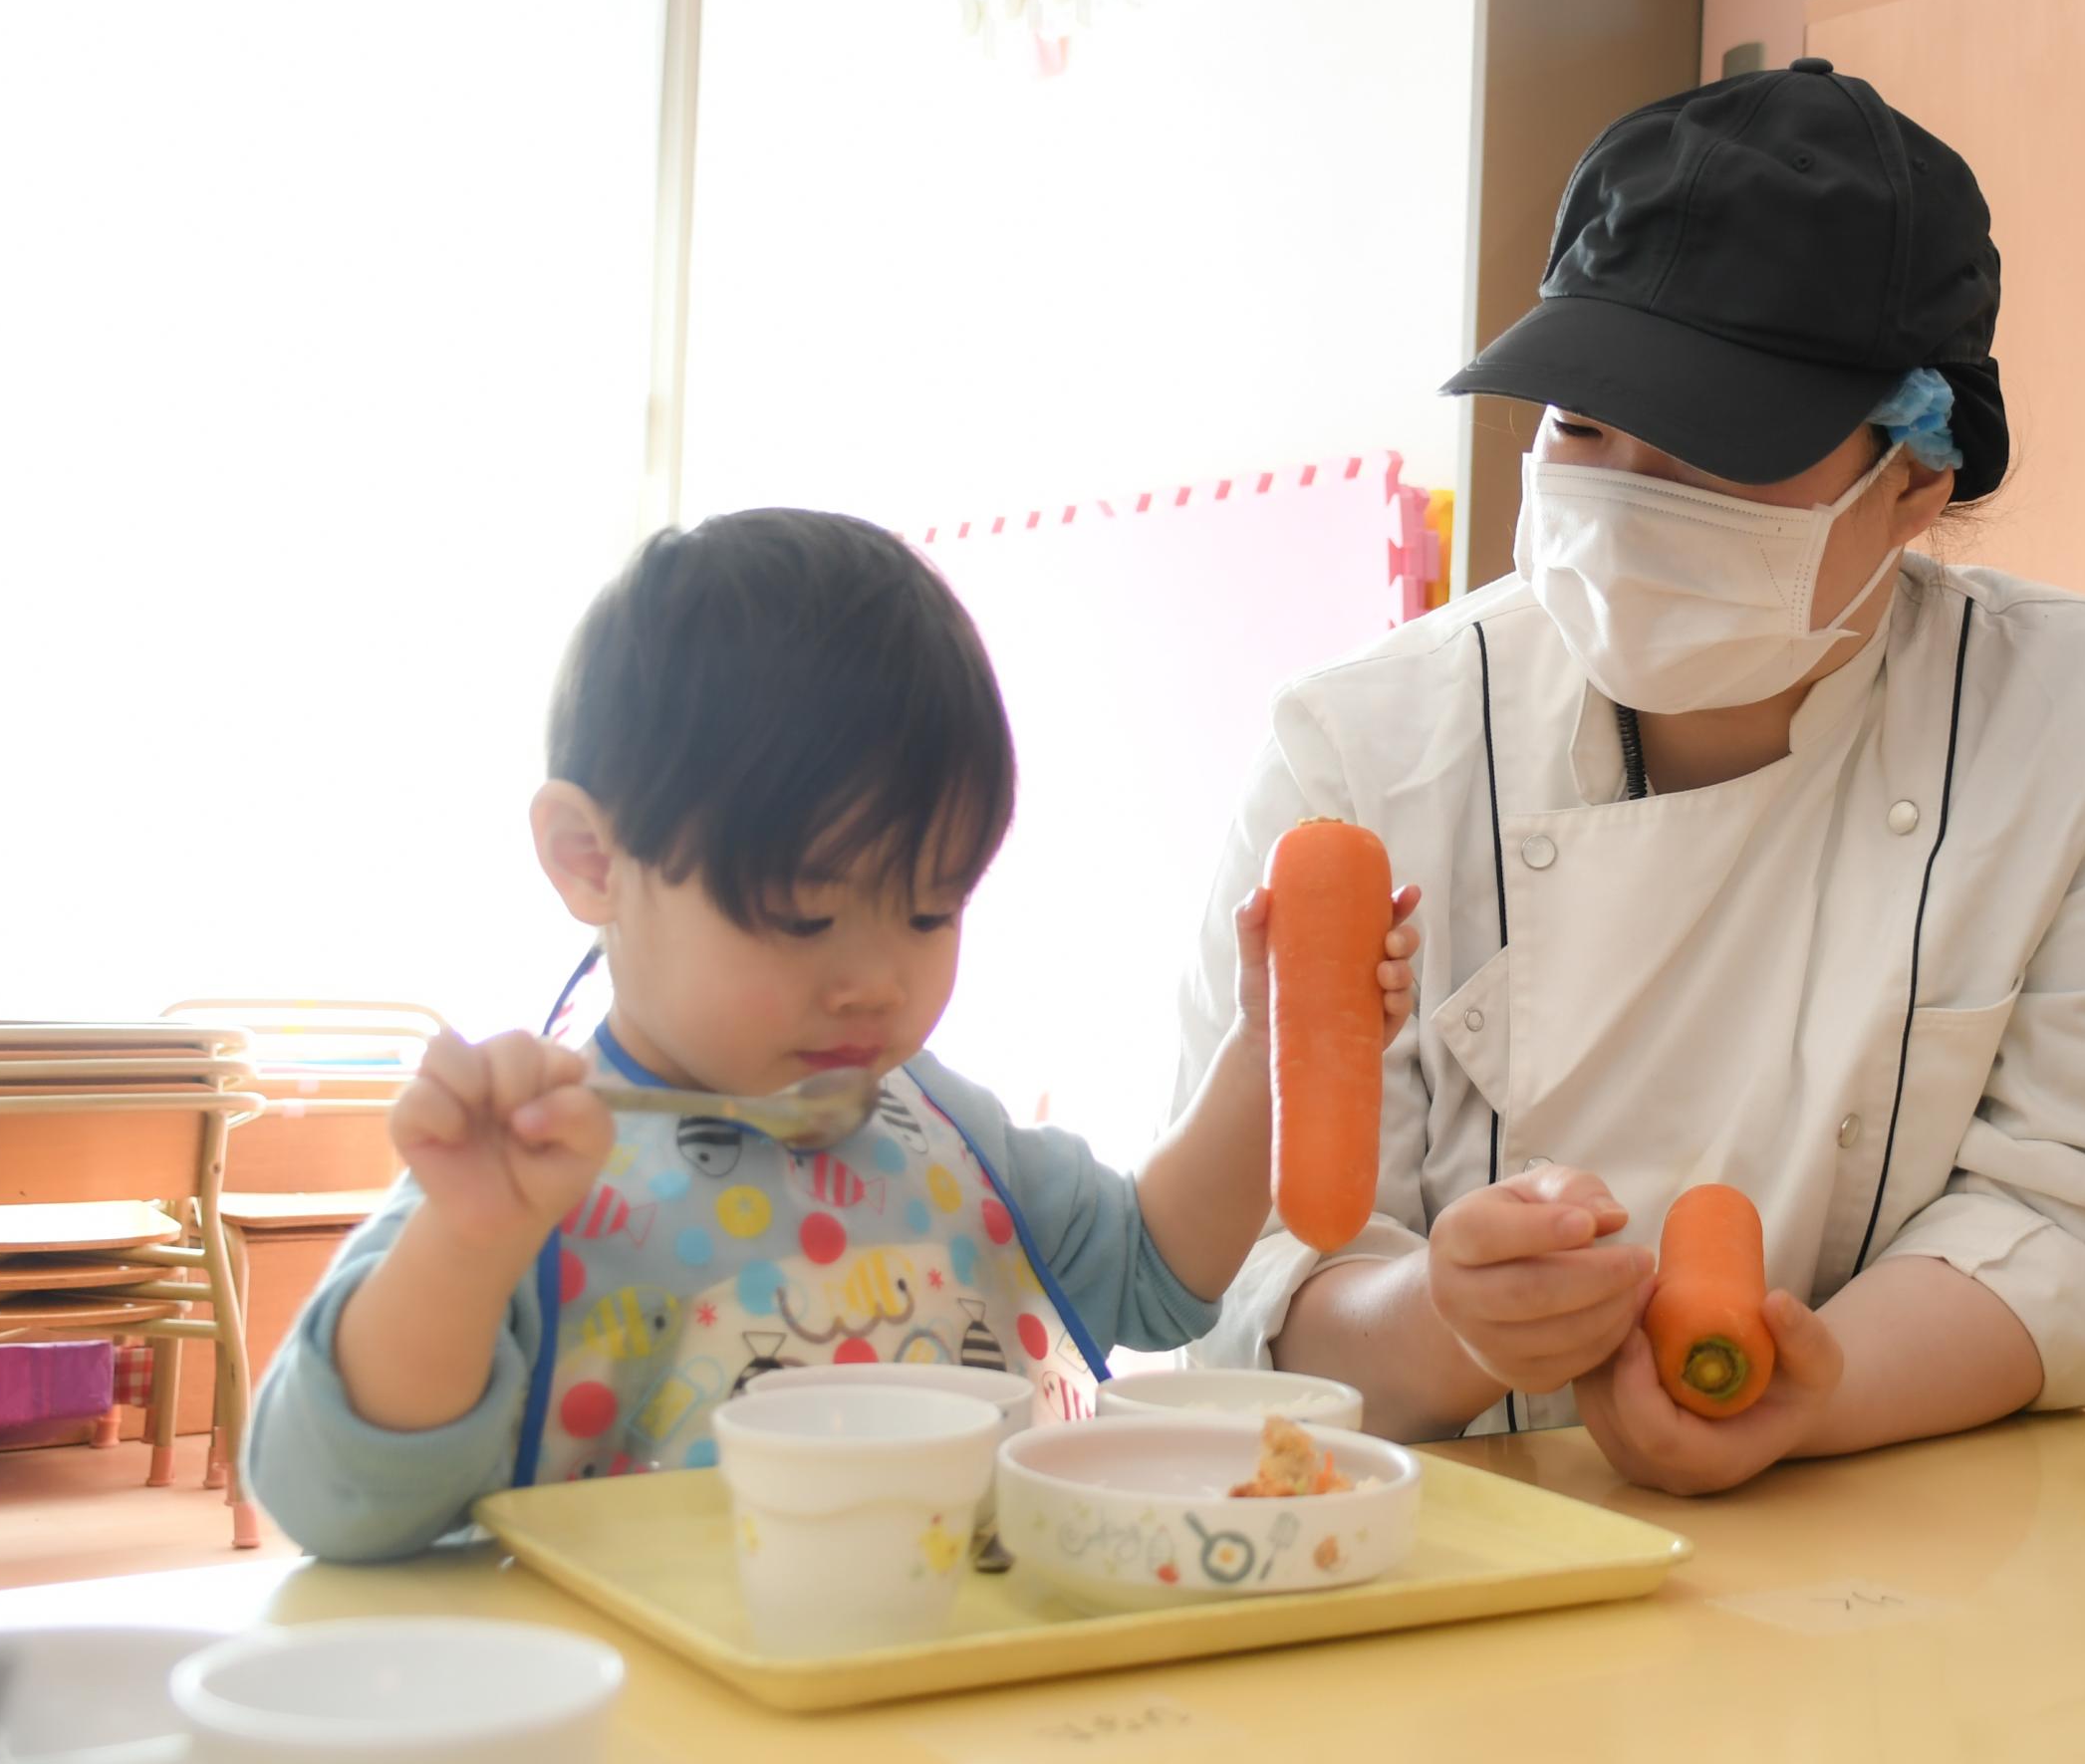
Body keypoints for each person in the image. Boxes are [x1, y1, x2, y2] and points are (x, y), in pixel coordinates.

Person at [1173, 58, 2085, 1494]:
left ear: (1918, 474)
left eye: (1713, 451)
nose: (1621, 505)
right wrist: (1448, 1319)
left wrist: (1814, 1394)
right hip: (1440, 1540)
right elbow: (1241, 1265)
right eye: (1583, 426)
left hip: (1881, 1538)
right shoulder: (1363, 747)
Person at [246, 508, 1418, 1558]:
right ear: (594, 860)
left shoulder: (940, 1124)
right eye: (803, 916)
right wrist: (464, 1244)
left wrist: (1271, 1048)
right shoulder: (528, 1173)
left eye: (930, 908)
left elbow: (1158, 1271)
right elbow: (337, 1497)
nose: (875, 981)